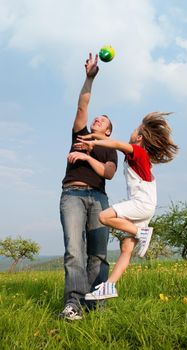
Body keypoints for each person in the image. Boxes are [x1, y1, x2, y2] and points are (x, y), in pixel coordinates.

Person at [75, 112, 178, 300]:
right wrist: (92, 137)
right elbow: (109, 139)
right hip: (145, 208)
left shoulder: (137, 152)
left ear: (138, 137)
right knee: (126, 249)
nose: (130, 133)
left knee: (104, 217)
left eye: (134, 130)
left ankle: (142, 233)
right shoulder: (139, 155)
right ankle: (109, 286)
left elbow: (114, 143)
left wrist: (93, 143)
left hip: (140, 204)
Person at [59, 53, 118, 320]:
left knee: (99, 255)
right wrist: (89, 78)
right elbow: (82, 106)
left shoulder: (109, 149)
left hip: (99, 199)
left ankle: (97, 305)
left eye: (102, 120)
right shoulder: (80, 134)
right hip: (73, 194)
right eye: (96, 118)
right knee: (74, 250)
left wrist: (85, 156)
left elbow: (108, 173)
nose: (96, 119)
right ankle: (73, 304)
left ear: (108, 131)